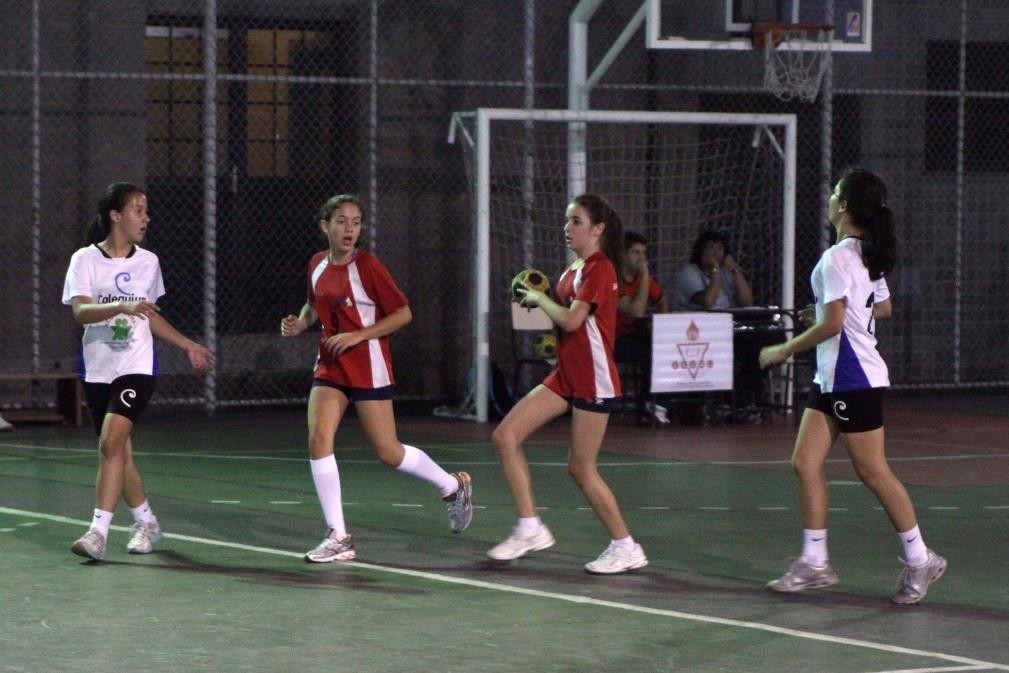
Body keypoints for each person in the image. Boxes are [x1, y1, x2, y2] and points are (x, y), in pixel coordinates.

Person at [759, 168, 946, 605]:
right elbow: (881, 307)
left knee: (873, 471)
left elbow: (837, 324)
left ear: (843, 205)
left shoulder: (838, 258)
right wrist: (827, 313)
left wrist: (784, 349)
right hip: (833, 377)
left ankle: (921, 559)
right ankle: (815, 562)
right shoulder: (866, 255)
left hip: (854, 378)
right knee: (805, 462)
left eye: (835, 194)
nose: (829, 199)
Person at [280, 193, 473, 563]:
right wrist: (301, 322)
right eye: (341, 221)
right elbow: (312, 304)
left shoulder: (368, 266)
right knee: (319, 438)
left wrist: (357, 335)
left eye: (355, 221)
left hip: (367, 363)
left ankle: (452, 485)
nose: (349, 228)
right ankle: (338, 535)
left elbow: (403, 314)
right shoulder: (317, 263)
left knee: (389, 452)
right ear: (325, 226)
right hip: (330, 366)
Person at [488, 193, 648, 575]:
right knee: (505, 436)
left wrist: (540, 300)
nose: (567, 228)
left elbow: (574, 320)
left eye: (576, 221)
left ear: (597, 229)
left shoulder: (600, 268)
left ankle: (626, 547)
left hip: (593, 378)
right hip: (566, 375)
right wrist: (535, 300)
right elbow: (566, 321)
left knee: (581, 468)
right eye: (566, 221)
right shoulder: (572, 269)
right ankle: (530, 527)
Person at [62, 182, 214, 562]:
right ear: (116, 216)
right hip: (97, 367)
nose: (146, 217)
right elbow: (80, 312)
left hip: (137, 366)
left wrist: (188, 344)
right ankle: (146, 520)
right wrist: (120, 307)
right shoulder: (85, 260)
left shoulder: (148, 262)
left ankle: (98, 533)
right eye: (138, 210)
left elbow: (151, 320)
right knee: (120, 453)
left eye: (146, 210)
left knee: (110, 444)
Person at [615, 231, 669, 425]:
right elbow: (635, 311)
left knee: (665, 347)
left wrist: (660, 328)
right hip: (606, 339)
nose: (641, 259)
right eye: (636, 253)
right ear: (622, 255)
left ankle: (660, 403)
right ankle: (649, 403)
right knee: (649, 353)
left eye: (644, 254)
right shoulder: (612, 278)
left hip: (629, 335)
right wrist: (646, 273)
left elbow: (662, 300)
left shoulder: (640, 279)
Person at [674, 229, 753, 311]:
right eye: (710, 248)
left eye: (719, 248)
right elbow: (708, 303)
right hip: (698, 320)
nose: (716, 253)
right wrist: (715, 270)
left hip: (725, 318)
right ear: (701, 251)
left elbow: (747, 303)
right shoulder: (689, 272)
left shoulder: (726, 271)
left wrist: (734, 269)